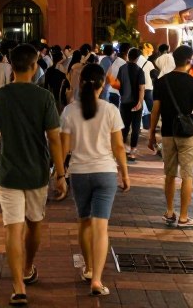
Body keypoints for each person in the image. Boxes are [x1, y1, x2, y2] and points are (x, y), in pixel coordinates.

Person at [0, 43, 67, 306]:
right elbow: (54, 138)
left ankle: (18, 285)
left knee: (12, 228)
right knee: (34, 224)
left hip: (8, 171)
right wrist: (61, 174)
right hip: (37, 172)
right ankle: (28, 267)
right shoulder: (44, 97)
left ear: (12, 67)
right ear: (34, 67)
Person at [60, 63, 130, 297]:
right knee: (101, 227)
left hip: (79, 173)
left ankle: (89, 269)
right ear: (103, 85)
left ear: (80, 84)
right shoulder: (110, 110)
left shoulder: (69, 111)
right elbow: (118, 146)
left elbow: (64, 148)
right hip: (105, 173)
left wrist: (59, 174)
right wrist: (125, 173)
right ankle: (97, 281)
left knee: (84, 223)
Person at [147, 45, 193, 228]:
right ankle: (183, 217)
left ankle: (169, 212)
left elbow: (155, 111)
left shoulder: (162, 82)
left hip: (167, 133)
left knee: (169, 174)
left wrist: (151, 134)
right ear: (190, 60)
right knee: (187, 175)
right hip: (188, 134)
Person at [117, 47, 146, 161]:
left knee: (124, 125)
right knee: (135, 127)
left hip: (124, 102)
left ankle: (123, 148)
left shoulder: (121, 68)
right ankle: (132, 152)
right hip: (136, 103)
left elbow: (118, 85)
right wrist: (140, 102)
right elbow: (141, 88)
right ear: (138, 58)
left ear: (128, 56)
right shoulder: (139, 70)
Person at [139, 44, 156, 129]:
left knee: (140, 107)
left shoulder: (137, 60)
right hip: (148, 87)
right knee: (151, 108)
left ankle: (141, 125)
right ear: (146, 50)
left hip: (138, 87)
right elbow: (154, 75)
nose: (152, 52)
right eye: (151, 50)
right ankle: (150, 125)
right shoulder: (148, 63)